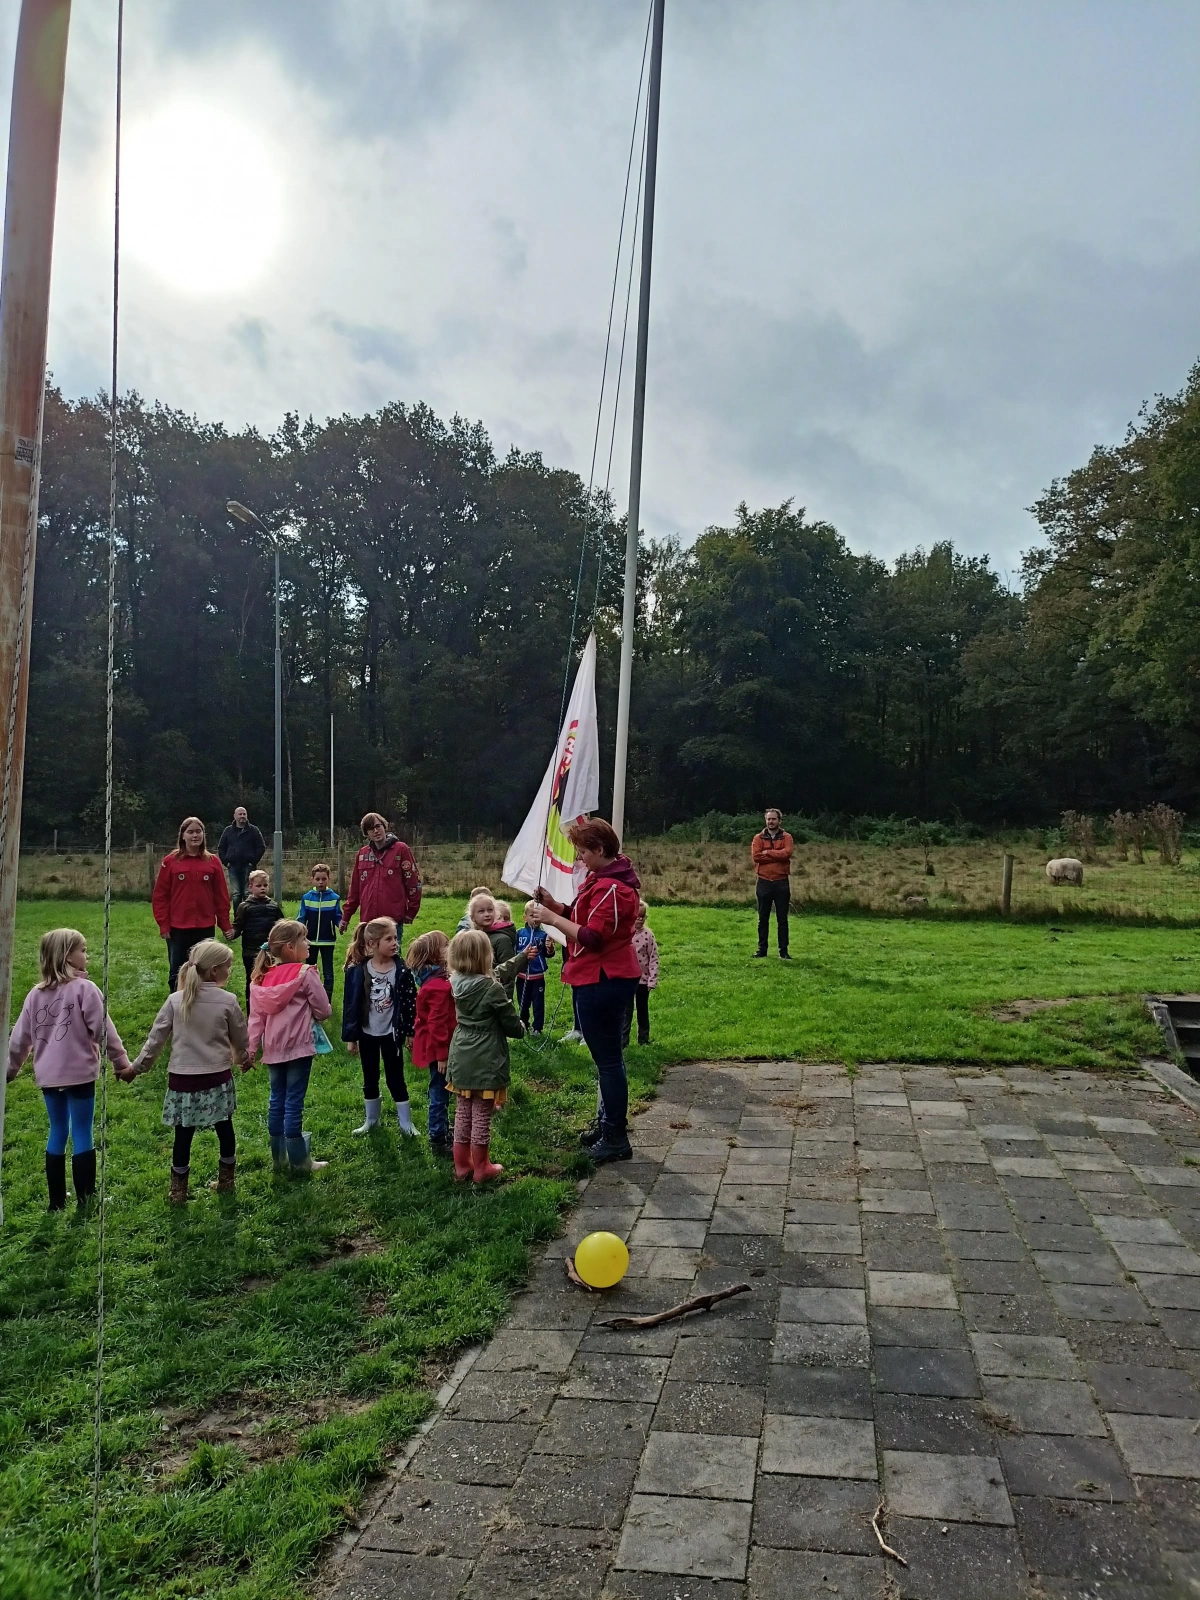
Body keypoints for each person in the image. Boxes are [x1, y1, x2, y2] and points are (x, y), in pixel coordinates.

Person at [529, 818, 641, 1164]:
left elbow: (592, 937)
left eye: (582, 852)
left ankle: (616, 1137)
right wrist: (557, 906)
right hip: (597, 977)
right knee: (606, 1060)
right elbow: (582, 916)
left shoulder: (615, 890)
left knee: (608, 1062)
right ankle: (609, 1126)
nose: (579, 859)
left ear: (601, 850)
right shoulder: (605, 880)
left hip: (603, 978)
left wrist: (550, 917)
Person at [6, 928, 132, 1211]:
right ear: (67, 956)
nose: (86, 955)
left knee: (58, 1129)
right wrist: (121, 1063)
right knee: (83, 1130)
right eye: (83, 950)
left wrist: (10, 1070)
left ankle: (56, 1203)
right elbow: (104, 1031)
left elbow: (19, 1040)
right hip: (79, 1074)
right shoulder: (85, 989)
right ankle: (85, 1200)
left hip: (49, 1076)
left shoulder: (35, 995)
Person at [125, 939, 251, 1203]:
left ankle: (178, 1191)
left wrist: (136, 1068)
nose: (231, 971)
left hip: (182, 1080)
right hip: (217, 1077)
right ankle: (227, 1181)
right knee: (224, 1127)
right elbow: (240, 1036)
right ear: (215, 970)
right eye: (229, 966)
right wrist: (243, 1058)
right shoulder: (227, 1000)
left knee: (183, 1134)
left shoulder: (175, 1000)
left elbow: (155, 1040)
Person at [247, 919, 333, 1173]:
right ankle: (299, 1161)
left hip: (272, 1048)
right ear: (289, 947)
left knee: (277, 1100)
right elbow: (324, 1010)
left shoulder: (261, 978)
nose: (308, 944)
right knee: (294, 1101)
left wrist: (251, 1052)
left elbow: (255, 1019)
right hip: (299, 1046)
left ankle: (279, 1159)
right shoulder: (305, 974)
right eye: (303, 940)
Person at [446, 928, 530, 1183]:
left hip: (461, 1053)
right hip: (486, 1057)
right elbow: (510, 1023)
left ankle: (461, 1165)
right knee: (482, 1114)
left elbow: (496, 973)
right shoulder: (491, 989)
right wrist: (521, 1027)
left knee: (462, 1112)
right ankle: (482, 1167)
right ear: (484, 956)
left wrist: (521, 958)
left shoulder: (454, 981)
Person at [342, 915, 418, 1138]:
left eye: (395, 938)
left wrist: (409, 1032)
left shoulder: (402, 970)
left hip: (391, 1035)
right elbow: (350, 1005)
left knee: (396, 1078)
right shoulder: (358, 970)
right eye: (389, 939)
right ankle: (371, 1120)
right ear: (373, 943)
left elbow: (410, 1003)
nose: (395, 943)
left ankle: (406, 1123)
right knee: (370, 1077)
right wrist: (351, 1038)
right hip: (367, 1034)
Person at [152, 817, 233, 994]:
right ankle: (177, 1005)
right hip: (178, 927)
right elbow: (160, 896)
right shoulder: (171, 861)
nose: (195, 835)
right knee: (178, 970)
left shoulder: (213, 862)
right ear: (182, 836)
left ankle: (203, 1005)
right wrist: (163, 924)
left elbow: (221, 896)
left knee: (207, 969)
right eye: (190, 832)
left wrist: (225, 924)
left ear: (204, 835)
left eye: (198, 831)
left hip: (204, 926)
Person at [406, 930, 456, 1153]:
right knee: (439, 1090)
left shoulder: (435, 980)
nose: (450, 947)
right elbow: (436, 1023)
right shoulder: (439, 986)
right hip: (439, 1050)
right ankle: (438, 1136)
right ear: (435, 955)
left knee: (442, 1089)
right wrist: (442, 1054)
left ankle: (443, 1128)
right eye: (446, 945)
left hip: (438, 1047)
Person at [339, 813, 422, 945]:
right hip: (368, 921)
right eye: (370, 829)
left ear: (385, 826)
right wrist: (346, 917)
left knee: (392, 958)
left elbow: (413, 882)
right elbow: (355, 889)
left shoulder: (401, 849)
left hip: (392, 920)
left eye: (378, 826)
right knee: (367, 958)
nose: (376, 831)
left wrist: (411, 911)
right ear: (366, 833)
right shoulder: (362, 854)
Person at [229, 869, 283, 1001]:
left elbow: (281, 927)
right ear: (250, 887)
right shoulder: (244, 907)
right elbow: (238, 925)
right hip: (250, 952)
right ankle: (252, 1010)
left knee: (271, 980)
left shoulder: (274, 907)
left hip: (271, 952)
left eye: (265, 885)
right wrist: (232, 933)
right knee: (252, 980)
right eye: (259, 886)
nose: (262, 888)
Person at [752, 807, 793, 959]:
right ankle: (762, 950)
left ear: (779, 821)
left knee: (782, 919)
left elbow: (787, 853)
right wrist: (778, 855)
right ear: (765, 821)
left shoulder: (787, 837)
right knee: (763, 918)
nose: (771, 821)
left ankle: (784, 951)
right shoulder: (758, 838)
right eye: (768, 819)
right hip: (763, 882)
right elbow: (756, 857)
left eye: (773, 819)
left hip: (781, 882)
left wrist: (767, 852)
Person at [297, 863, 342, 1000]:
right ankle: (310, 996)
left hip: (328, 940)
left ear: (329, 879)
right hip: (310, 941)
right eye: (318, 879)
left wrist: (341, 925)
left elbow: (338, 916)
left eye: (324, 879)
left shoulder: (335, 898)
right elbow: (301, 917)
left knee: (328, 971)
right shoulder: (307, 897)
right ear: (312, 880)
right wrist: (298, 931)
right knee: (310, 969)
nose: (321, 882)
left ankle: (327, 999)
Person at [621, 900, 659, 1047]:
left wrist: (652, 980)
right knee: (626, 1012)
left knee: (642, 1010)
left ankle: (643, 1039)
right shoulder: (625, 934)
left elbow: (654, 958)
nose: (640, 919)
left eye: (643, 917)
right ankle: (623, 1041)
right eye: (638, 916)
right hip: (627, 979)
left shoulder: (648, 935)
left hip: (642, 981)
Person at [515, 902, 556, 1035]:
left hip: (537, 977)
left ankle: (537, 1028)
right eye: (532, 915)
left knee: (538, 1004)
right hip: (522, 976)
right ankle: (523, 1024)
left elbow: (548, 954)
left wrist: (550, 948)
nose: (535, 919)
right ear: (525, 917)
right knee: (523, 1002)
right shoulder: (519, 934)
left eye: (538, 916)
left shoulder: (544, 935)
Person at [217, 805, 266, 908]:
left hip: (248, 867)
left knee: (248, 893)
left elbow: (261, 847)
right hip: (233, 867)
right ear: (235, 816)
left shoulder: (254, 830)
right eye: (240, 814)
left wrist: (253, 861)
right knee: (236, 894)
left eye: (244, 814)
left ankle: (248, 916)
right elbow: (221, 847)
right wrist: (226, 862)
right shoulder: (228, 831)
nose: (242, 816)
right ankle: (237, 919)